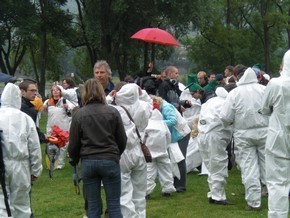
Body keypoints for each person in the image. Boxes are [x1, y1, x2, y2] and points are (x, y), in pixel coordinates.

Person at [68, 79, 127, 218]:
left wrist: (75, 158)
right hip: (110, 159)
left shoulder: (79, 115)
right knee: (114, 205)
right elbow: (122, 139)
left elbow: (74, 143)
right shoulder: (113, 112)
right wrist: (115, 154)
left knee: (93, 206)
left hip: (89, 161)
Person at [220, 67, 268, 211]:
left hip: (244, 134)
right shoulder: (264, 90)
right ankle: (277, 198)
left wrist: (232, 123)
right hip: (265, 132)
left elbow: (225, 117)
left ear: (240, 78)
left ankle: (254, 203)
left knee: (249, 168)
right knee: (269, 166)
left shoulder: (235, 93)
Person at [0, 83, 42, 217]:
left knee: (2, 205)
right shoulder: (25, 119)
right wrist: (35, 169)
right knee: (22, 205)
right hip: (20, 166)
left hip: (2, 164)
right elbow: (34, 147)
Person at [113, 83, 152, 218]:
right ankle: (141, 215)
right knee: (140, 190)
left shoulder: (115, 110)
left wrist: (109, 97)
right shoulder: (143, 107)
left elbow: (101, 110)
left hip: (122, 152)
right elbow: (150, 103)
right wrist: (144, 94)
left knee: (124, 192)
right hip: (139, 149)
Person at [259, 49, 290, 218]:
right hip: (279, 133)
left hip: (278, 135)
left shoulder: (276, 84)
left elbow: (264, 108)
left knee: (277, 181)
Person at [197, 87, 233, 205]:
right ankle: (218, 196)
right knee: (219, 164)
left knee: (210, 165)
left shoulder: (209, 102)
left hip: (202, 134)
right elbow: (227, 118)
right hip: (216, 135)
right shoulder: (225, 103)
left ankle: (213, 193)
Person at [151, 95, 191, 193]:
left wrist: (156, 123)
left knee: (180, 159)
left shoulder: (166, 107)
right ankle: (174, 183)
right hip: (173, 136)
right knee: (172, 160)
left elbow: (173, 121)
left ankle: (181, 186)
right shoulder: (160, 108)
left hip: (181, 134)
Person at [145, 108, 175, 198]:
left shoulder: (147, 124)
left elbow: (142, 138)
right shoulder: (163, 124)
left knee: (149, 172)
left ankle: (146, 192)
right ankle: (167, 190)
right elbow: (169, 137)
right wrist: (165, 147)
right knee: (166, 171)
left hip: (149, 152)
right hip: (162, 151)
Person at [43, 85, 74, 169]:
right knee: (51, 145)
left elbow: (73, 108)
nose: (55, 91)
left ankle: (60, 164)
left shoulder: (64, 101)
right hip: (51, 127)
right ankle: (51, 163)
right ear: (51, 92)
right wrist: (44, 107)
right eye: (54, 90)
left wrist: (68, 107)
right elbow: (42, 110)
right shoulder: (48, 102)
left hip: (63, 126)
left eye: (57, 90)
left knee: (63, 146)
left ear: (60, 92)